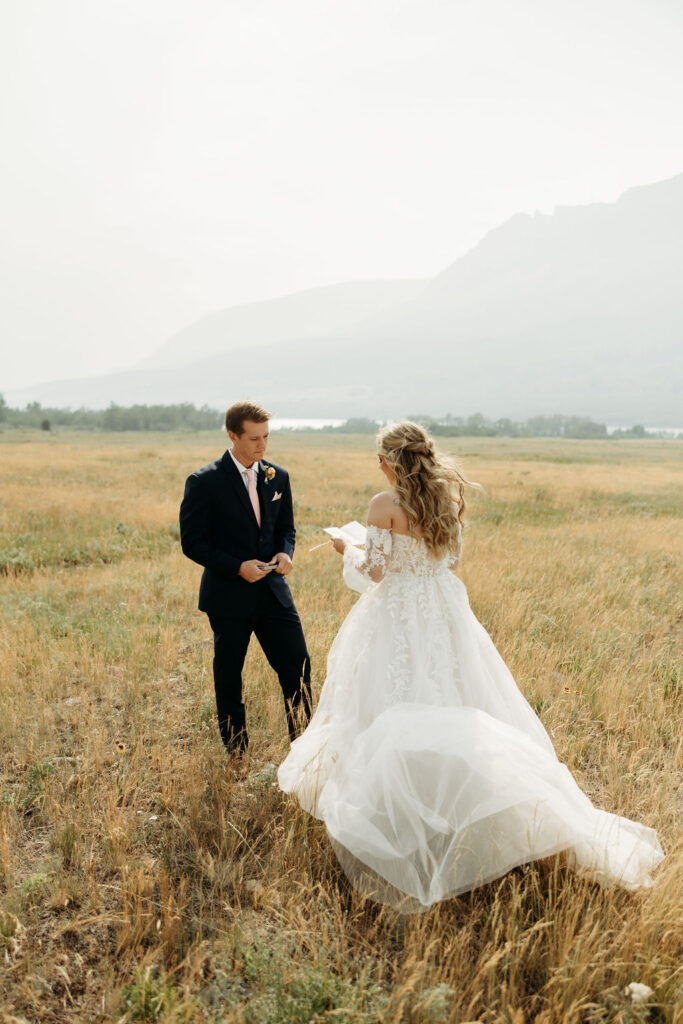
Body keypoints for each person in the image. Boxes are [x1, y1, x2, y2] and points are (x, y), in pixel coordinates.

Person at [277, 421, 664, 910]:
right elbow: (450, 563)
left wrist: (346, 547)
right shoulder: (447, 500)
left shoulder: (384, 505)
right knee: (457, 701)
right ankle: (458, 811)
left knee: (389, 702)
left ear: (388, 462)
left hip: (397, 617)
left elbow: (375, 573)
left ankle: (405, 817)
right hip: (444, 615)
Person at [180, 400, 311, 758]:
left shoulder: (277, 476)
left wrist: (286, 553)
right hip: (228, 597)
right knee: (229, 677)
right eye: (254, 438)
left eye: (266, 437)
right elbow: (192, 544)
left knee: (298, 670)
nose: (262, 445)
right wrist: (237, 566)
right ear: (232, 435)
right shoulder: (203, 481)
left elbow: (287, 529)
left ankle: (304, 752)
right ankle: (237, 753)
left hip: (273, 594)